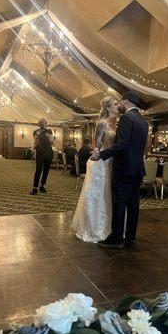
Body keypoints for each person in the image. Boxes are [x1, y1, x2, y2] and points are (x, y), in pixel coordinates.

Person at [92, 91, 148, 249]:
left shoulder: (126, 118)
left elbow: (121, 145)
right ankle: (130, 236)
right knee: (133, 204)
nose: (120, 104)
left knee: (119, 202)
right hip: (138, 169)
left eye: (121, 102)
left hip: (124, 168)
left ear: (127, 102)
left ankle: (116, 238)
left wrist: (101, 154)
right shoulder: (143, 121)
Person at [71, 96, 119, 242]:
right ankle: (94, 227)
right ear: (108, 107)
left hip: (114, 162)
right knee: (99, 195)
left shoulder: (117, 124)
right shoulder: (102, 123)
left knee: (111, 195)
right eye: (115, 104)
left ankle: (110, 227)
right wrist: (97, 153)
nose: (118, 106)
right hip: (102, 162)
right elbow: (97, 144)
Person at [30, 118, 54, 195]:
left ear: (46, 124)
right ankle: (35, 188)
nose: (42, 124)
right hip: (40, 153)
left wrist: (48, 137)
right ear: (38, 124)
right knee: (38, 170)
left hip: (49, 153)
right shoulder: (35, 132)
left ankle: (42, 186)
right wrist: (36, 140)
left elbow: (52, 142)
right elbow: (36, 143)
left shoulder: (49, 131)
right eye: (40, 122)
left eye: (43, 122)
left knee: (46, 170)